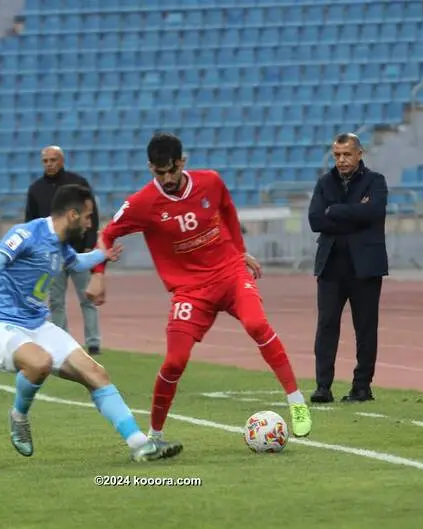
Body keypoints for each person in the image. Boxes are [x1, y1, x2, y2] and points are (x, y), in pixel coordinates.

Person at [85, 132, 312, 442]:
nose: (165, 178)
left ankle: (296, 401)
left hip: (229, 274)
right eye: (158, 172)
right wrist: (99, 273)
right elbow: (107, 234)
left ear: (183, 162)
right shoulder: (142, 203)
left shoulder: (211, 182)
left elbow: (229, 210)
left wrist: (238, 250)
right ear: (151, 168)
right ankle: (155, 435)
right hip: (190, 291)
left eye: (171, 170)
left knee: (257, 323)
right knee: (174, 361)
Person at [0, 184, 183, 462]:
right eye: (87, 216)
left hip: (37, 325)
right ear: (72, 214)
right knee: (39, 362)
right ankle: (19, 415)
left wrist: (101, 256)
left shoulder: (61, 245)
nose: (90, 223)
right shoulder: (26, 234)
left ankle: (140, 443)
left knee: (96, 373)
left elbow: (76, 262)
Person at [308, 132, 388, 403]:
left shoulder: (376, 181)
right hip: (331, 266)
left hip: (366, 267)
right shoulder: (324, 182)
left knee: (365, 328)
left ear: (359, 154)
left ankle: (362, 387)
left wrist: (336, 211)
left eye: (346, 154)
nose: (341, 160)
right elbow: (315, 220)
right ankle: (323, 387)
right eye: (337, 155)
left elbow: (374, 213)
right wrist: (355, 211)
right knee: (327, 326)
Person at [25, 146, 102, 356]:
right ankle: (62, 340)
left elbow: (92, 215)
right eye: (45, 161)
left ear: (62, 160)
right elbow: (31, 222)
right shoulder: (35, 189)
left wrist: (90, 243)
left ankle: (93, 342)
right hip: (51, 254)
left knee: (87, 298)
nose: (49, 164)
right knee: (55, 301)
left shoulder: (78, 184)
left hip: (78, 250)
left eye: (53, 160)